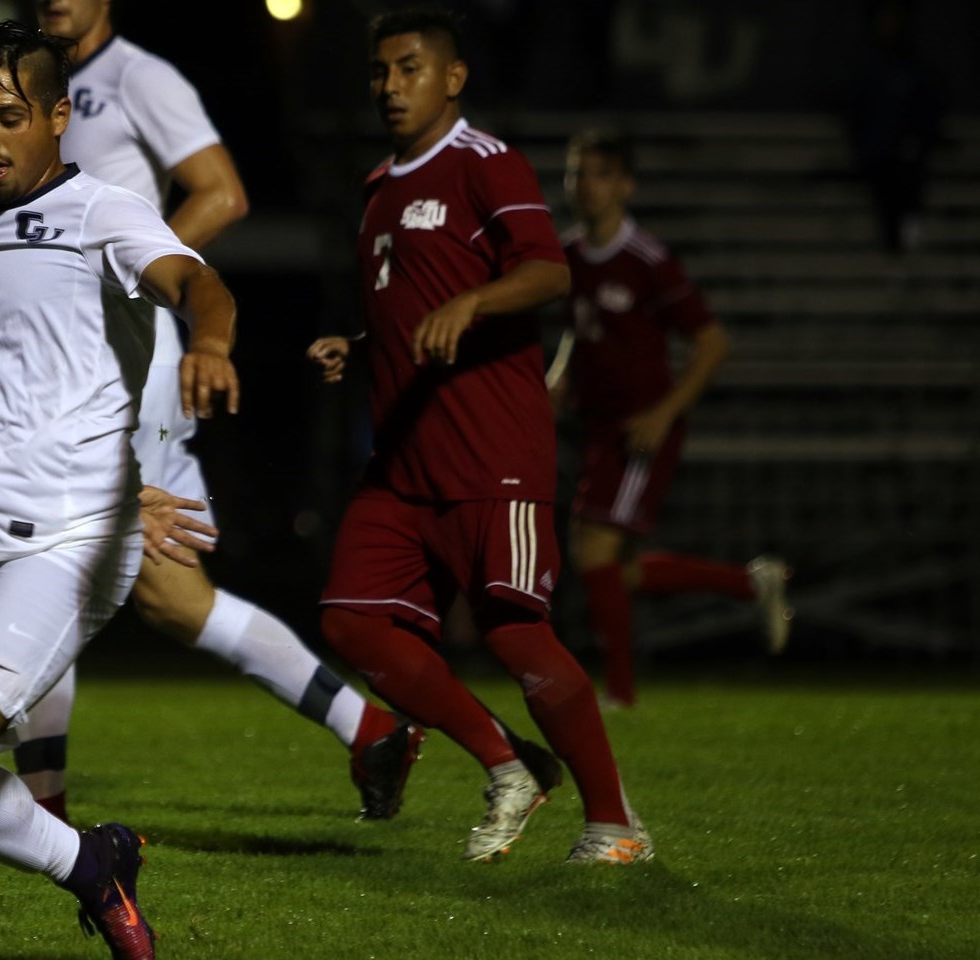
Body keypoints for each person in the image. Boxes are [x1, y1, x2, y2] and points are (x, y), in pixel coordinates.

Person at [0, 0, 424, 826]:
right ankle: (368, 727)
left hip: (117, 372)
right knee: (172, 599)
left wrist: (122, 266)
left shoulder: (141, 77)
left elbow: (223, 191)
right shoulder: (24, 85)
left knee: (35, 555)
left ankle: (43, 811)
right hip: (64, 363)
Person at [0, 21, 239, 960]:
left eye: (8, 115)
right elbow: (21, 381)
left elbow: (195, 280)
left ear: (56, 116)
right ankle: (92, 863)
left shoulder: (100, 212)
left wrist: (209, 341)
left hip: (66, 540)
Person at [307, 8, 651, 865]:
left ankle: (615, 825)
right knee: (351, 622)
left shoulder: (486, 164)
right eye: (382, 72)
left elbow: (545, 268)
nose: (391, 86)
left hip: (491, 452)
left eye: (411, 68)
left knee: (513, 631)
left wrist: (474, 302)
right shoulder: (378, 184)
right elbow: (407, 305)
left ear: (453, 78)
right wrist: (356, 346)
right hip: (402, 460)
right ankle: (508, 761)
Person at [549, 129, 791, 707]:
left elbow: (712, 343)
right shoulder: (570, 255)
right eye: (577, 172)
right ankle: (751, 584)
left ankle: (621, 694)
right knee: (614, 569)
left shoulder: (647, 260)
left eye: (601, 174)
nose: (586, 185)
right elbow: (577, 327)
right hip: (598, 425)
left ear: (627, 185)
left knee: (595, 553)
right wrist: (558, 375)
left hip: (640, 430)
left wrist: (662, 414)